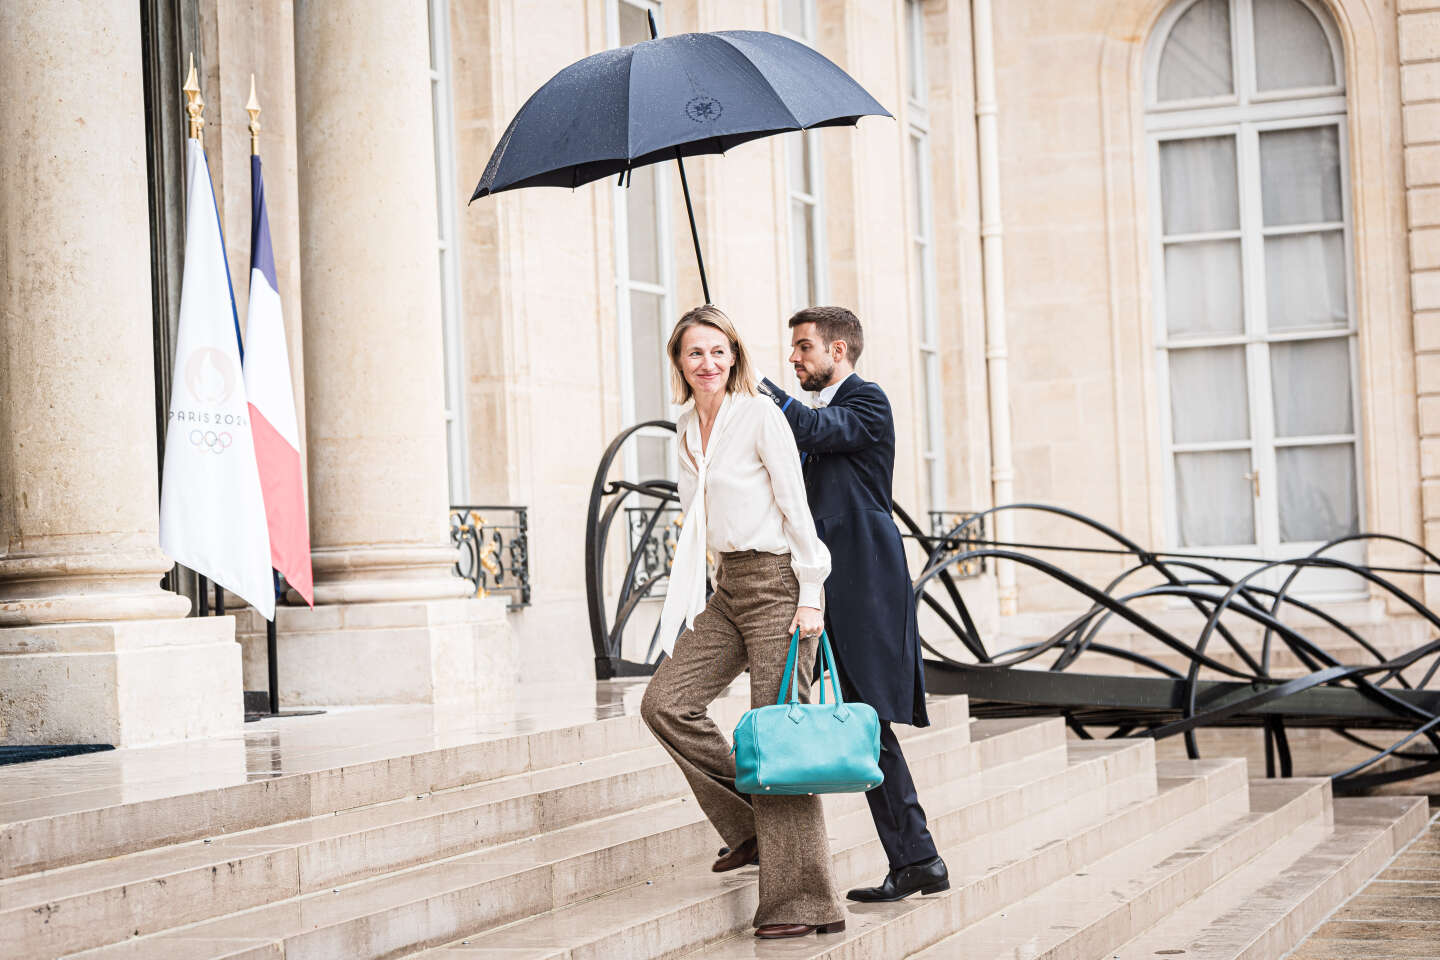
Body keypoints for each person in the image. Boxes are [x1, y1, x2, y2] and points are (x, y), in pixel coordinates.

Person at [639, 304, 847, 940]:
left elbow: (795, 503)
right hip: (727, 590)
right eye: (695, 353)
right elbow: (697, 517)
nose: (708, 363)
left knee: (777, 742)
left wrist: (811, 593)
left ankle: (805, 904)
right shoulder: (683, 427)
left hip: (781, 585)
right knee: (665, 703)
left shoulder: (760, 415)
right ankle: (754, 828)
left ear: (734, 358)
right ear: (679, 361)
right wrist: (702, 588)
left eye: (718, 352)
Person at [757, 305, 950, 903]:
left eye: (804, 348)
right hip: (821, 586)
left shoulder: (868, 402)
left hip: (867, 580)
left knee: (867, 718)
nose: (793, 359)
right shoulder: (814, 414)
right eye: (792, 349)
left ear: (838, 351)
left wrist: (761, 393)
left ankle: (918, 857)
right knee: (865, 725)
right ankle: (917, 858)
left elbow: (819, 432)